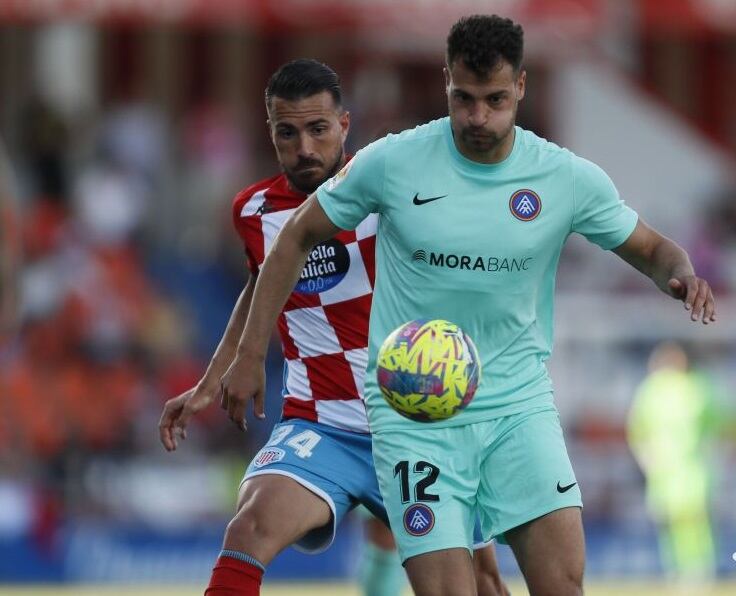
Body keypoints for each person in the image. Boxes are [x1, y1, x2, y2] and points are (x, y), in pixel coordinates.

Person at [219, 15, 717, 596]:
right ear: (446, 85)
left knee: (562, 585)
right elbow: (296, 237)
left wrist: (680, 275)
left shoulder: (563, 177)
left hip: (516, 408)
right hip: (414, 419)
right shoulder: (392, 162)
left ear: (522, 88)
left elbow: (652, 247)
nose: (479, 117)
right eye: (465, 99)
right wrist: (251, 354)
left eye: (495, 100)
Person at [158, 59, 508, 596]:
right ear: (269, 133)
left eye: (318, 129)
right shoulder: (255, 212)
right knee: (248, 527)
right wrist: (215, 379)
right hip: (322, 426)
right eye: (287, 133)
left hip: (417, 425)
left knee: (478, 584)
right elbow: (258, 288)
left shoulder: (394, 190)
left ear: (345, 125)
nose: (304, 149)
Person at [628, 342, 718, 582]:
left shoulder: (696, 387)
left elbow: (717, 424)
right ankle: (679, 570)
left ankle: (699, 569)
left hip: (691, 468)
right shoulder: (651, 390)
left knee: (694, 519)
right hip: (664, 470)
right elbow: (637, 430)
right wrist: (646, 458)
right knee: (670, 521)